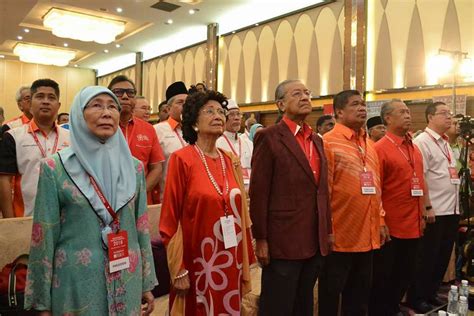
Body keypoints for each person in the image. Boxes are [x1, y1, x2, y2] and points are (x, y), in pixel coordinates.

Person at [24, 86, 157, 315]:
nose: (107, 113)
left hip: (127, 275)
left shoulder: (134, 167)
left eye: (112, 106)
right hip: (76, 283)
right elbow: (43, 236)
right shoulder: (55, 168)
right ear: (78, 114)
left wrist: (146, 281)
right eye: (97, 105)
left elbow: (141, 227)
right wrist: (41, 302)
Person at [159, 90, 254, 315]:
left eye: (221, 111)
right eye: (209, 111)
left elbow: (242, 210)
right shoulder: (182, 159)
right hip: (197, 259)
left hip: (230, 254)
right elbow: (170, 217)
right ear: (193, 120)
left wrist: (246, 254)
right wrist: (178, 268)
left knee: (228, 306)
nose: (218, 115)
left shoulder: (230, 160)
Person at [250, 80, 332, 316]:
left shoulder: (316, 140)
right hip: (282, 239)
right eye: (297, 94)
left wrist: (327, 231)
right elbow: (258, 192)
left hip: (313, 238)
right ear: (281, 104)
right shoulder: (269, 136)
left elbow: (322, 191)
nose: (305, 97)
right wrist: (262, 239)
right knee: (278, 305)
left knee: (303, 304)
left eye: (307, 92)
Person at [319, 90, 388, 316]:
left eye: (363, 104)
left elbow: (375, 187)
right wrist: (327, 230)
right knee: (331, 296)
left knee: (359, 297)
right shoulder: (328, 142)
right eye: (355, 104)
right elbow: (324, 192)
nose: (362, 108)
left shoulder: (368, 144)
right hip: (340, 235)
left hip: (367, 235)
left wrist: (380, 220)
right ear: (339, 111)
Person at [369, 99, 425, 316]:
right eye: (402, 112)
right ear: (388, 118)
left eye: (409, 111)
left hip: (414, 222)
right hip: (392, 225)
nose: (408, 115)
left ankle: (392, 307)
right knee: (385, 276)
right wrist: (381, 221)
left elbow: (419, 180)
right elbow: (375, 189)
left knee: (405, 272)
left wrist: (423, 211)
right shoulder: (380, 149)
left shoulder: (414, 147)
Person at [408, 102, 460, 313]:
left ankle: (431, 293)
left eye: (449, 114)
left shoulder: (446, 143)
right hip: (434, 210)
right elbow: (421, 176)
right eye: (443, 114)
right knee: (426, 257)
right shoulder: (422, 142)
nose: (448, 117)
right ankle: (417, 297)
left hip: (451, 209)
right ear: (430, 117)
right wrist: (427, 206)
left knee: (441, 257)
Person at [0, 79, 69, 218]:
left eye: (51, 97)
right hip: (27, 217)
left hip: (65, 218)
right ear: (30, 104)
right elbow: (4, 181)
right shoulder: (13, 136)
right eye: (40, 96)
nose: (45, 101)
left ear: (58, 105)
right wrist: (10, 221)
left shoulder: (71, 138)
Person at [108, 75, 164, 202]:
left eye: (130, 93)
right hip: (107, 199)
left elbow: (157, 168)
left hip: (140, 200)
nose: (125, 96)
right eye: (118, 92)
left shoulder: (148, 129)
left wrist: (140, 193)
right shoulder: (101, 127)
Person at [154, 81, 188, 195]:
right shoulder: (157, 130)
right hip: (167, 197)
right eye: (180, 102)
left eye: (188, 102)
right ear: (168, 109)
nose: (185, 106)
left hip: (194, 198)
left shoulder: (197, 131)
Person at [216, 99, 253, 186]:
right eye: (232, 114)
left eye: (238, 114)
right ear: (224, 118)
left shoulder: (248, 143)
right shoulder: (217, 143)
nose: (236, 118)